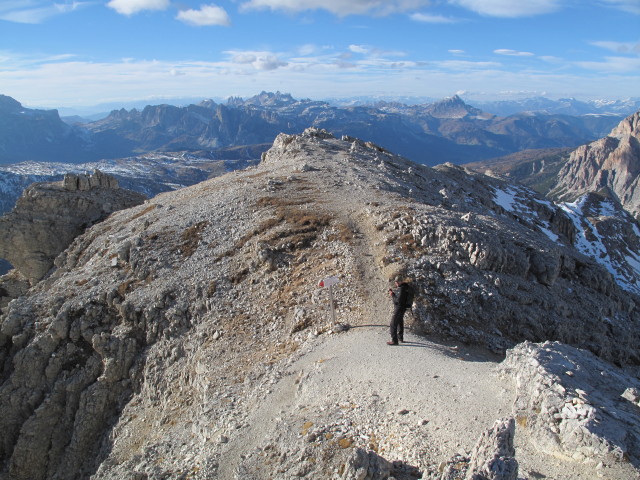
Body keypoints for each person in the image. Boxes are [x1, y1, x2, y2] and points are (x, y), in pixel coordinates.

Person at [387, 276, 412, 345]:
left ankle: (394, 341)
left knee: (393, 324)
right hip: (402, 308)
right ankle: (400, 338)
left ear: (401, 281)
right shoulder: (405, 288)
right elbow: (400, 298)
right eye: (395, 281)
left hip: (399, 308)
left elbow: (398, 300)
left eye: (398, 281)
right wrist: (394, 294)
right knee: (400, 322)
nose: (396, 283)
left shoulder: (401, 289)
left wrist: (392, 295)